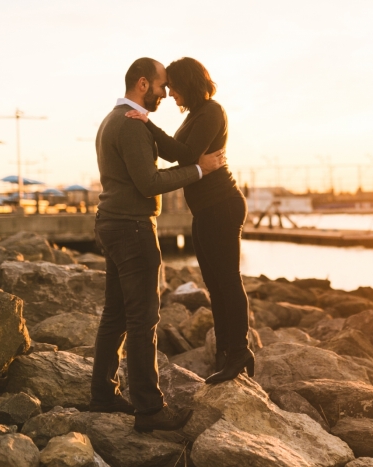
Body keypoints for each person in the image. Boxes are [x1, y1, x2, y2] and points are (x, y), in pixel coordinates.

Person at [91, 57, 226, 432]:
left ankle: (102, 396)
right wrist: (201, 169)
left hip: (114, 223)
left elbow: (158, 158)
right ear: (142, 84)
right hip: (132, 227)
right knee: (143, 319)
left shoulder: (114, 119)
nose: (167, 93)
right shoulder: (130, 125)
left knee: (115, 315)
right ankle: (149, 410)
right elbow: (148, 183)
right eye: (162, 85)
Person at [125, 57, 253, 384]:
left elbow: (183, 154)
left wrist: (146, 124)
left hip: (221, 205)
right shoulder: (197, 114)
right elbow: (183, 153)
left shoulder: (212, 111)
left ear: (187, 83)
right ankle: (226, 353)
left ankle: (239, 351)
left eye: (172, 86)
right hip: (205, 210)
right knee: (215, 284)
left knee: (228, 281)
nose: (169, 93)